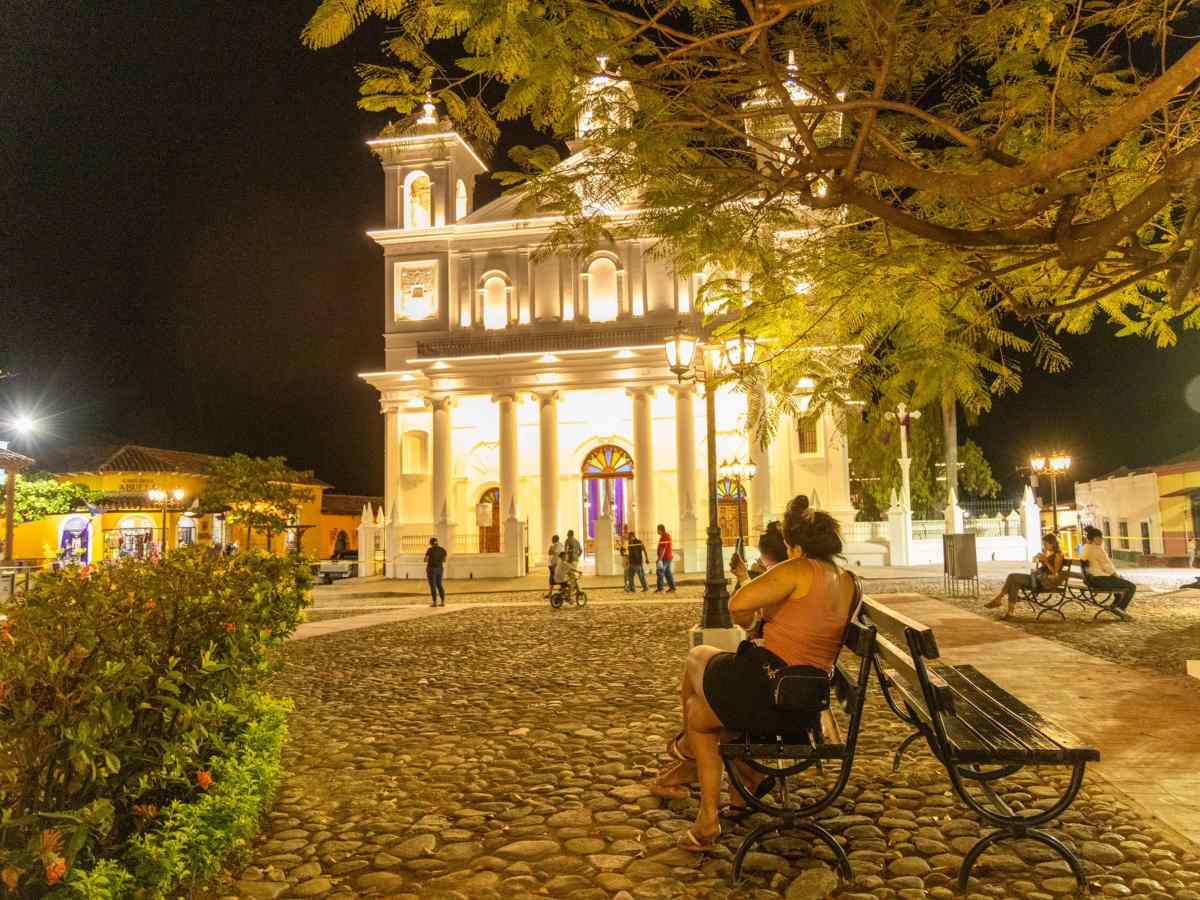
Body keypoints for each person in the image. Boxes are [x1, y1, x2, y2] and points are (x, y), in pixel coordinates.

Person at [651, 495, 857, 852]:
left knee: (697, 659)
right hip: (806, 703)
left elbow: (736, 605)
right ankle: (708, 815)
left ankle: (691, 762)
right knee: (699, 713)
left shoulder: (799, 569)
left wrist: (770, 591)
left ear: (796, 547)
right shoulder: (848, 580)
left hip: (771, 689)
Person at [984, 533, 1066, 619]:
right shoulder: (1048, 552)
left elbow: (1055, 572)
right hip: (1037, 578)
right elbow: (1043, 567)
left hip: (1043, 582)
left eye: (1045, 544)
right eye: (1043, 544)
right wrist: (1038, 560)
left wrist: (1045, 561)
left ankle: (999, 599)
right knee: (1014, 583)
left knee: (1012, 576)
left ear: (1052, 543)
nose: (1044, 546)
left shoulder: (1058, 554)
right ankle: (1009, 612)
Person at [1080, 526, 1135, 614]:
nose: (1102, 540)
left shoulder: (1085, 547)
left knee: (1118, 583)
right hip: (1099, 579)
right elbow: (1107, 567)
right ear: (1095, 538)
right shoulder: (1097, 549)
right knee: (1131, 586)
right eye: (1101, 538)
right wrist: (1117, 576)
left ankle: (1114, 606)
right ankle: (1120, 609)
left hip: (1090, 580)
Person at [424, 537, 447, 607]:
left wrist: (430, 559)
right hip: (440, 569)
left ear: (431, 543)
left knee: (432, 586)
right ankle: (443, 602)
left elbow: (425, 559)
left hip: (431, 569)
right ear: (437, 542)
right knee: (439, 585)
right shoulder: (442, 550)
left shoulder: (430, 550)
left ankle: (435, 602)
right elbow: (444, 560)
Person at [625, 528, 649, 592]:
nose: (629, 538)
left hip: (638, 562)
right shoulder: (629, 543)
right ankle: (632, 589)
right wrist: (628, 560)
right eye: (628, 537)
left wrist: (647, 558)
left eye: (630, 537)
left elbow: (644, 550)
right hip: (631, 562)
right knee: (630, 576)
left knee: (641, 576)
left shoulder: (639, 542)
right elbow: (629, 553)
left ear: (633, 536)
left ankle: (646, 587)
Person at [655, 524, 676, 593]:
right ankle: (672, 588)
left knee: (660, 571)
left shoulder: (665, 537)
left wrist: (659, 559)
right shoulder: (665, 536)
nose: (657, 531)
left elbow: (663, 548)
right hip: (667, 557)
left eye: (657, 529)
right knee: (668, 573)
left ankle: (660, 588)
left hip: (665, 558)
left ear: (661, 530)